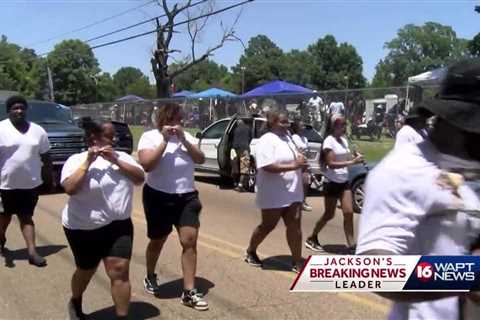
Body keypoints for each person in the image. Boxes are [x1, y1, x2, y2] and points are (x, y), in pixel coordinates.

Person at [356, 59, 480, 320]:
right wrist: (469, 275)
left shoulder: (467, 164)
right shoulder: (403, 171)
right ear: (457, 120)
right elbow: (375, 272)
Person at [61, 120, 144, 320]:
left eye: (114, 135)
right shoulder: (76, 160)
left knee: (119, 270)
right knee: (86, 270)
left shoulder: (122, 157)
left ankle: (122, 317)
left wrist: (116, 161)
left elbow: (139, 178)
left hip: (119, 225)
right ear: (93, 138)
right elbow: (70, 189)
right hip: (82, 226)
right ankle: (76, 299)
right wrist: (88, 162)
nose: (114, 138)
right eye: (109, 135)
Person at [137, 103, 209, 311]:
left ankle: (189, 291)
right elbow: (147, 164)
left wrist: (184, 139)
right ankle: (150, 275)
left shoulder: (188, 138)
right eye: (171, 121)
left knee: (189, 240)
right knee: (158, 240)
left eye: (178, 120)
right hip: (158, 196)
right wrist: (164, 142)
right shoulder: (150, 137)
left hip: (186, 197)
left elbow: (200, 159)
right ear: (162, 121)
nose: (176, 125)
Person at [244, 110, 308, 273]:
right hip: (273, 192)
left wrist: (302, 164)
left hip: (293, 190)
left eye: (288, 122)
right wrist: (294, 166)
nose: (287, 125)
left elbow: (296, 159)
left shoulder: (289, 139)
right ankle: (251, 250)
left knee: (294, 225)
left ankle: (296, 262)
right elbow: (266, 166)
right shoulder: (266, 140)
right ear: (272, 123)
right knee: (268, 225)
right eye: (283, 122)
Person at [0, 95, 52, 267]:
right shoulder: (1, 129)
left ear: (26, 110)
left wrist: (48, 178)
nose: (19, 110)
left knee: (26, 217)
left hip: (29, 184)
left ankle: (32, 253)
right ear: (8, 111)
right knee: (4, 217)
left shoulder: (38, 131)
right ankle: (1, 238)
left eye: (22, 107)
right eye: (15, 108)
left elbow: (46, 156)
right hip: (4, 185)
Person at [305, 114, 363, 253]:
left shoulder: (343, 140)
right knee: (329, 214)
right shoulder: (328, 142)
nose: (345, 127)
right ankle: (312, 238)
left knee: (348, 213)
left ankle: (351, 245)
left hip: (344, 181)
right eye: (342, 124)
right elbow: (331, 164)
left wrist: (354, 156)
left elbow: (344, 157)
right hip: (331, 182)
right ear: (334, 126)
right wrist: (352, 162)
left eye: (345, 124)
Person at [290, 120, 313, 212]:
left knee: (305, 183)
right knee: (295, 184)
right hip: (296, 164)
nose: (303, 127)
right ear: (296, 127)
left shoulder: (305, 139)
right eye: (302, 126)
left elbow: (306, 152)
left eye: (304, 126)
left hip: (305, 163)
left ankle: (303, 201)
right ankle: (294, 202)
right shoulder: (294, 137)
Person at [231, 119, 252, 192]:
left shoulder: (235, 130)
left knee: (235, 167)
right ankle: (240, 185)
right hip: (244, 149)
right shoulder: (248, 128)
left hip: (235, 149)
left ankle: (235, 183)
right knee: (244, 167)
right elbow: (250, 137)